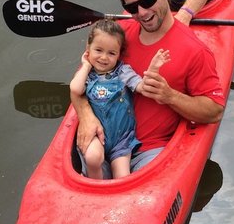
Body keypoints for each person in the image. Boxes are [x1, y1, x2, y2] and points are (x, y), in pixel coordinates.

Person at [71, 0, 226, 175]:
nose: (142, 12)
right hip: (103, 139)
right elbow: (82, 82)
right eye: (132, 7)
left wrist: (170, 96)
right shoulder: (118, 35)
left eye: (148, 0)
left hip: (150, 150)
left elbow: (214, 110)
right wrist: (86, 115)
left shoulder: (195, 51)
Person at [69, 19, 170, 180]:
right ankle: (96, 185)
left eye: (111, 53)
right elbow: (75, 89)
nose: (103, 57)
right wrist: (86, 65)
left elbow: (141, 87)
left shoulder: (123, 72)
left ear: (119, 54)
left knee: (123, 177)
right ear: (88, 49)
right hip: (96, 135)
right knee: (93, 158)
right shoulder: (87, 75)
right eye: (98, 50)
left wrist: (153, 70)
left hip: (122, 140)